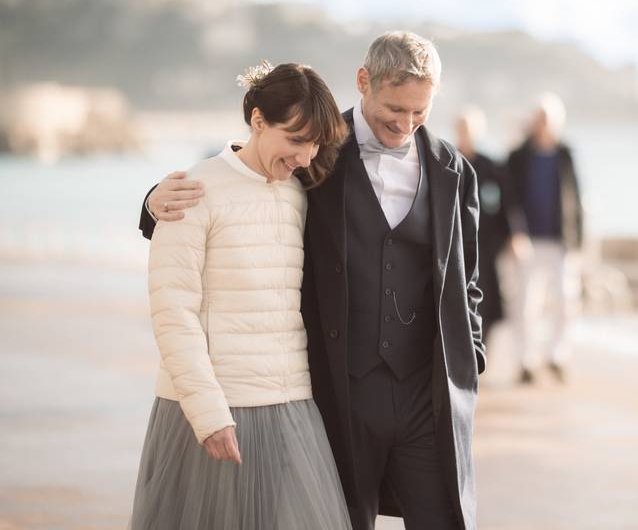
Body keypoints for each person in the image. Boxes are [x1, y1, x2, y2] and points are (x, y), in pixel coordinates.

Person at [139, 32, 485, 530]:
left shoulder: (454, 170)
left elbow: (468, 277)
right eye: (394, 109)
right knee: (340, 520)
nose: (405, 124)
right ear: (363, 82)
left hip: (425, 394)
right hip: (339, 389)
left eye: (420, 113)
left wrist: (471, 353)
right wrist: (154, 202)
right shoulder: (317, 147)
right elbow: (245, 176)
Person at [130, 62, 352, 529]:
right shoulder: (192, 191)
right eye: (295, 140)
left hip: (291, 406)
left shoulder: (300, 193)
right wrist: (209, 415)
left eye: (314, 144)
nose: (305, 157)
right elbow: (174, 313)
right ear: (257, 121)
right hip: (211, 410)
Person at [506, 92, 584, 384]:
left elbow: (576, 199)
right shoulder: (517, 156)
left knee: (566, 301)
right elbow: (509, 199)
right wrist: (514, 234)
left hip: (561, 240)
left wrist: (579, 243)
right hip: (526, 241)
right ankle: (526, 362)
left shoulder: (566, 155)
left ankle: (556, 357)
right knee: (526, 304)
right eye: (539, 118)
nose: (543, 124)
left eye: (549, 119)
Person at [454, 107, 527, 344]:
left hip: (486, 245)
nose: (466, 135)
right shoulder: (447, 161)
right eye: (462, 129)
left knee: (488, 300)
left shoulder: (492, 167)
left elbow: (508, 203)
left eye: (470, 130)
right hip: (454, 242)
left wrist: (515, 235)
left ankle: (481, 352)